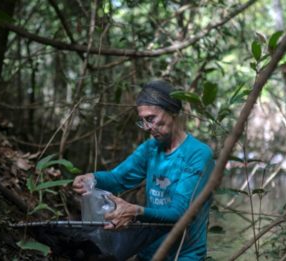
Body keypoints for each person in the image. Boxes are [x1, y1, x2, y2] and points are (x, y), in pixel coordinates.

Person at [73, 80, 215, 260]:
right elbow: (118, 179)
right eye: (142, 121)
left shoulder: (198, 154)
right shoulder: (150, 148)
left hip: (183, 255)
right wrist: (91, 178)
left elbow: (180, 212)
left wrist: (136, 212)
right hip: (148, 252)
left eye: (151, 119)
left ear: (173, 113)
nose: (147, 128)